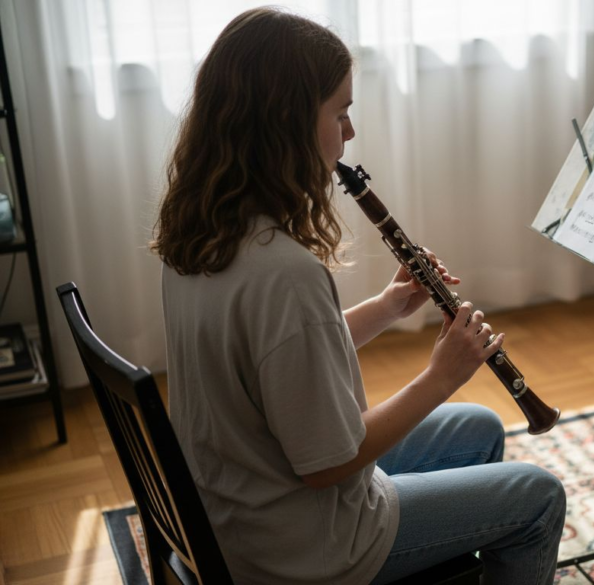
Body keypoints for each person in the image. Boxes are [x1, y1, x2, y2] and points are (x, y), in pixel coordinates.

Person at [151, 7, 565, 585]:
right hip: (300, 548)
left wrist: (388, 307)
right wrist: (441, 376)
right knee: (539, 495)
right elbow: (331, 464)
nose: (349, 133)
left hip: (238, 504)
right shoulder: (285, 273)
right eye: (340, 113)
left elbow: (279, 364)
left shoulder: (198, 232)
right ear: (287, 123)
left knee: (478, 426)